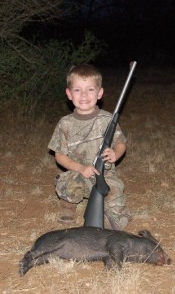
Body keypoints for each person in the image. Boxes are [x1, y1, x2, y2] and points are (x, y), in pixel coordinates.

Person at [48, 64, 132, 230]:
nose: (84, 95)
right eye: (78, 90)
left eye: (90, 89)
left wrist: (115, 153)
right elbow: (59, 156)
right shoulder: (65, 123)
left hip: (105, 175)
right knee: (65, 183)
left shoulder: (107, 119)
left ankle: (107, 220)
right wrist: (81, 168)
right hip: (79, 173)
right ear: (69, 94)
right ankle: (68, 204)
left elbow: (121, 143)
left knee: (118, 207)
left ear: (99, 93)